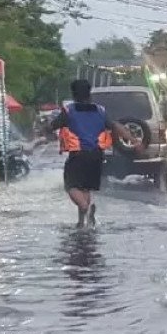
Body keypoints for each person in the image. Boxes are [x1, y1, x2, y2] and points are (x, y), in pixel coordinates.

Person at [52, 79, 142, 227]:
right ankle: (82, 222)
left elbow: (53, 125)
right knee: (85, 187)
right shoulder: (100, 110)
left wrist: (45, 131)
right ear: (89, 93)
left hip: (78, 155)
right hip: (96, 155)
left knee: (71, 186)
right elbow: (115, 126)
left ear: (74, 94)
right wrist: (134, 140)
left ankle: (85, 208)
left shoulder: (69, 111)